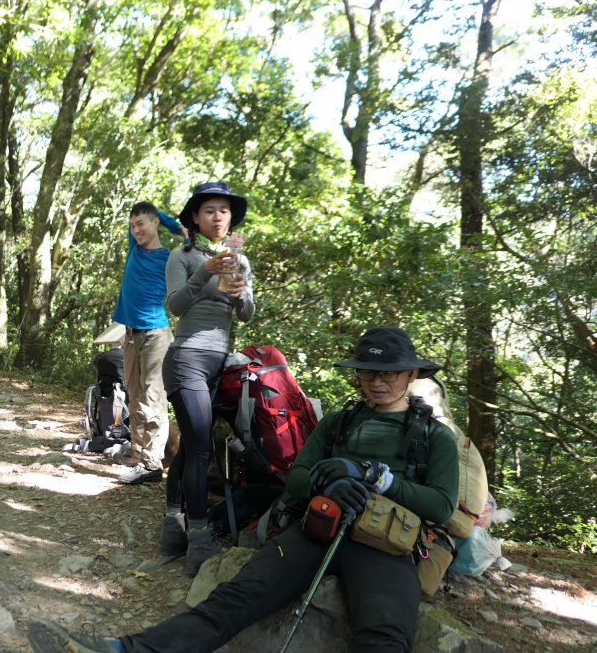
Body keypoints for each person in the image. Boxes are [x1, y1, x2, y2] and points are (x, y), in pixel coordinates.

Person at [28, 326, 459, 653]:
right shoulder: (338, 423)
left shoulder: (433, 437)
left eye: (389, 373)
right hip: (318, 526)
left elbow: (440, 507)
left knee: (385, 637)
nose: (376, 382)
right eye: (368, 373)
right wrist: (331, 480)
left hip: (385, 545)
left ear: (412, 373)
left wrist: (377, 479)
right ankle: (125, 649)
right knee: (235, 599)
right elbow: (295, 477)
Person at [159, 181, 254, 575]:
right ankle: (198, 539)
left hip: (219, 364)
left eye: (224, 211)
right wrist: (206, 274)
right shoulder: (181, 256)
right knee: (201, 449)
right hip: (186, 359)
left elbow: (247, 313)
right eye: (210, 210)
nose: (218, 216)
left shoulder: (240, 261)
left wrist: (236, 294)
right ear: (195, 217)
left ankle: (172, 524)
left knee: (193, 446)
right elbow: (175, 305)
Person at [111, 201, 188, 484]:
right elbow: (140, 224)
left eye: (141, 223)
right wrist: (164, 221)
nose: (136, 230)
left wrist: (174, 226)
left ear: (155, 222)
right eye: (132, 225)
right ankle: (142, 456)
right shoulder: (135, 248)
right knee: (133, 397)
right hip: (131, 334)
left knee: (151, 398)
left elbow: (191, 242)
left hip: (156, 334)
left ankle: (151, 464)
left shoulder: (170, 257)